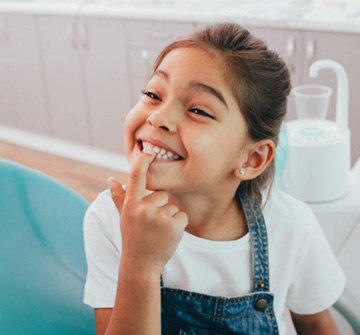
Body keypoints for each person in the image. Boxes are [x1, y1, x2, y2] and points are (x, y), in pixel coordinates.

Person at [83, 23, 346, 334]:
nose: (157, 117)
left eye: (198, 110)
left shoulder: (292, 225)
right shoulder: (110, 219)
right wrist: (140, 264)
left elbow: (316, 325)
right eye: (153, 94)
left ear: (252, 159)